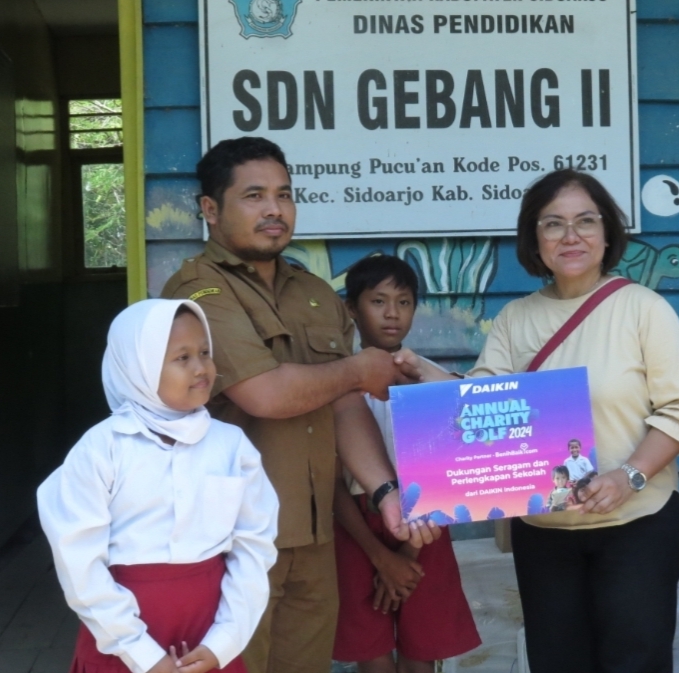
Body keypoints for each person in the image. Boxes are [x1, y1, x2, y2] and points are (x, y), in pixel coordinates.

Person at [409, 168, 679, 672]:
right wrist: (423, 372)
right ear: (535, 238)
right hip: (544, 531)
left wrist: (627, 476)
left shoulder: (643, 309)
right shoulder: (514, 319)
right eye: (553, 224)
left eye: (585, 221)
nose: (571, 236)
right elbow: (481, 410)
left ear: (607, 232)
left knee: (635, 662)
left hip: (636, 524)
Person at [161, 137, 439, 673]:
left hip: (314, 536)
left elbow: (345, 404)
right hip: (230, 541)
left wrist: (385, 492)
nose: (274, 210)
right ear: (211, 210)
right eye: (255, 196)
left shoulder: (312, 291)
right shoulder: (197, 293)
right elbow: (265, 394)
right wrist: (357, 369)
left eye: (284, 195)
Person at [37, 299, 279, 673]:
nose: (201, 367)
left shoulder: (231, 446)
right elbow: (78, 561)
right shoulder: (102, 449)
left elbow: (254, 546)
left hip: (208, 632)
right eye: (182, 358)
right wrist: (141, 654)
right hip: (120, 635)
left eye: (204, 352)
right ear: (140, 369)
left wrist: (224, 641)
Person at [331, 254, 480, 673]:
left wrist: (406, 556)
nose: (392, 313)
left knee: (422, 651)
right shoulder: (335, 383)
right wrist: (382, 558)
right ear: (351, 309)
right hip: (356, 530)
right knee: (372, 656)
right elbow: (331, 486)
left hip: (427, 529)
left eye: (404, 301)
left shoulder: (431, 379)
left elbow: (445, 478)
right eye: (378, 301)